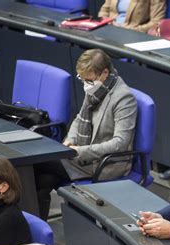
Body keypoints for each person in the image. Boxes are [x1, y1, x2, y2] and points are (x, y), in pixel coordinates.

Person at [35, 48, 137, 220]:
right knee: (42, 180)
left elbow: (120, 142)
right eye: (82, 79)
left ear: (105, 73)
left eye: (89, 80)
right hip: (81, 155)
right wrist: (70, 140)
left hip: (104, 162)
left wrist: (80, 151)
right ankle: (37, 231)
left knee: (38, 163)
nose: (85, 84)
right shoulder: (97, 89)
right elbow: (79, 118)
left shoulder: (123, 98)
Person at [98, 0, 166, 33]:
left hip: (134, 33)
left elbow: (156, 22)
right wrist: (106, 21)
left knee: (98, 54)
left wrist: (131, 30)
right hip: (109, 29)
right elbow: (104, 9)